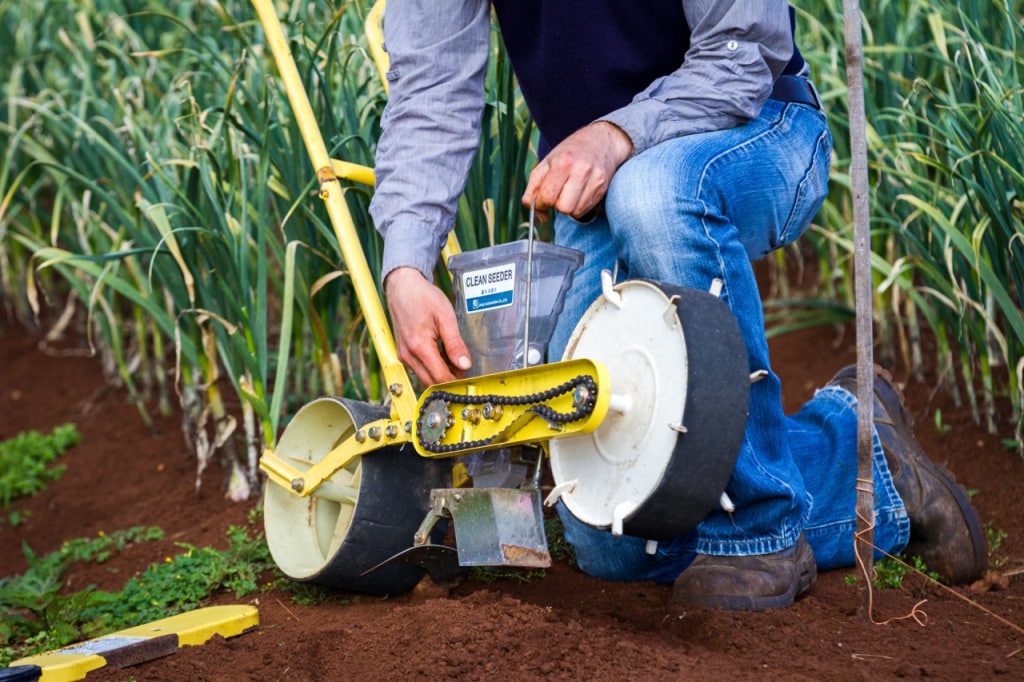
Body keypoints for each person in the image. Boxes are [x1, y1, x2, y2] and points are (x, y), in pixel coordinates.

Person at [368, 0, 987, 611]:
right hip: (589, 188)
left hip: (752, 128)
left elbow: (743, 50)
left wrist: (619, 134)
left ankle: (758, 530)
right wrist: (405, 269)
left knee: (654, 192)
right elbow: (431, 88)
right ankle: (864, 459)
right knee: (615, 536)